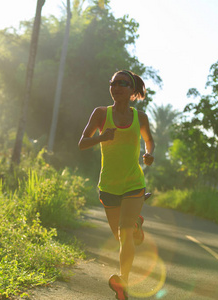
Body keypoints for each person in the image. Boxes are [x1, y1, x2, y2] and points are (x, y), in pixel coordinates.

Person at [78, 70, 154, 300]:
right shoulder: (101, 114)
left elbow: (149, 140)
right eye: (113, 83)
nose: (117, 87)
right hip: (109, 186)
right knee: (121, 236)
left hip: (133, 183)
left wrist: (149, 154)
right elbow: (82, 143)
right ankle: (136, 225)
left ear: (132, 90)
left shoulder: (140, 117)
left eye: (123, 83)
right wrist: (101, 138)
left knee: (125, 233)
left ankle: (124, 283)